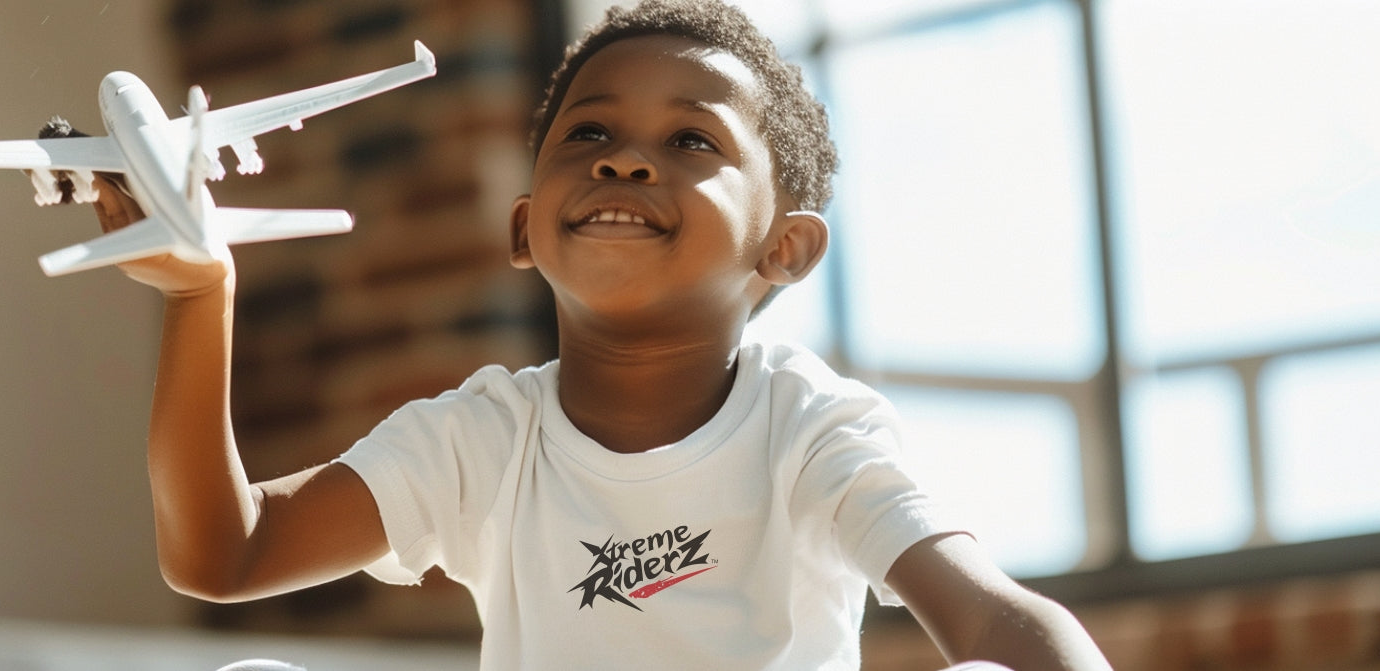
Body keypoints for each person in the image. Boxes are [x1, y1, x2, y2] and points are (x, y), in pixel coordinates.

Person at [90, 1, 1111, 668]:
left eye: (690, 140)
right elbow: (226, 552)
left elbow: (991, 621)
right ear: (525, 226)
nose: (624, 160)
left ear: (784, 250)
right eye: (588, 132)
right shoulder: (485, 438)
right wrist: (198, 295)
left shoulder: (809, 426)